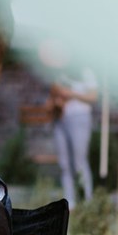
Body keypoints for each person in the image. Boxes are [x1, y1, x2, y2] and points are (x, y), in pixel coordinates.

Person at [44, 50, 98, 209]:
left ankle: (87, 200)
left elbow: (93, 97)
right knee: (64, 163)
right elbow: (54, 94)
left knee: (79, 161)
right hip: (61, 119)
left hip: (79, 118)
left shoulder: (86, 72)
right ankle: (70, 202)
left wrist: (70, 93)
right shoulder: (60, 74)